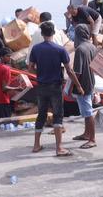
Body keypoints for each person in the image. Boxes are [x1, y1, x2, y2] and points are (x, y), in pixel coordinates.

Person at [29, 21, 79, 157]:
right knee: (58, 116)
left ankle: (36, 145)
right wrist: (78, 85)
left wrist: (40, 74)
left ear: (42, 33)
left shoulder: (36, 49)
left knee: (41, 115)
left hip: (41, 86)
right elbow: (69, 70)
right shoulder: (60, 49)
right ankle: (59, 148)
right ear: (53, 33)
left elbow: (30, 67)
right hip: (55, 86)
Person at [70, 25, 99, 148]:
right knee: (86, 112)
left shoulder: (80, 49)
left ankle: (92, 139)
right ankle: (86, 134)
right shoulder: (92, 47)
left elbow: (77, 72)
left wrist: (75, 85)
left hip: (83, 85)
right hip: (91, 82)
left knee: (88, 113)